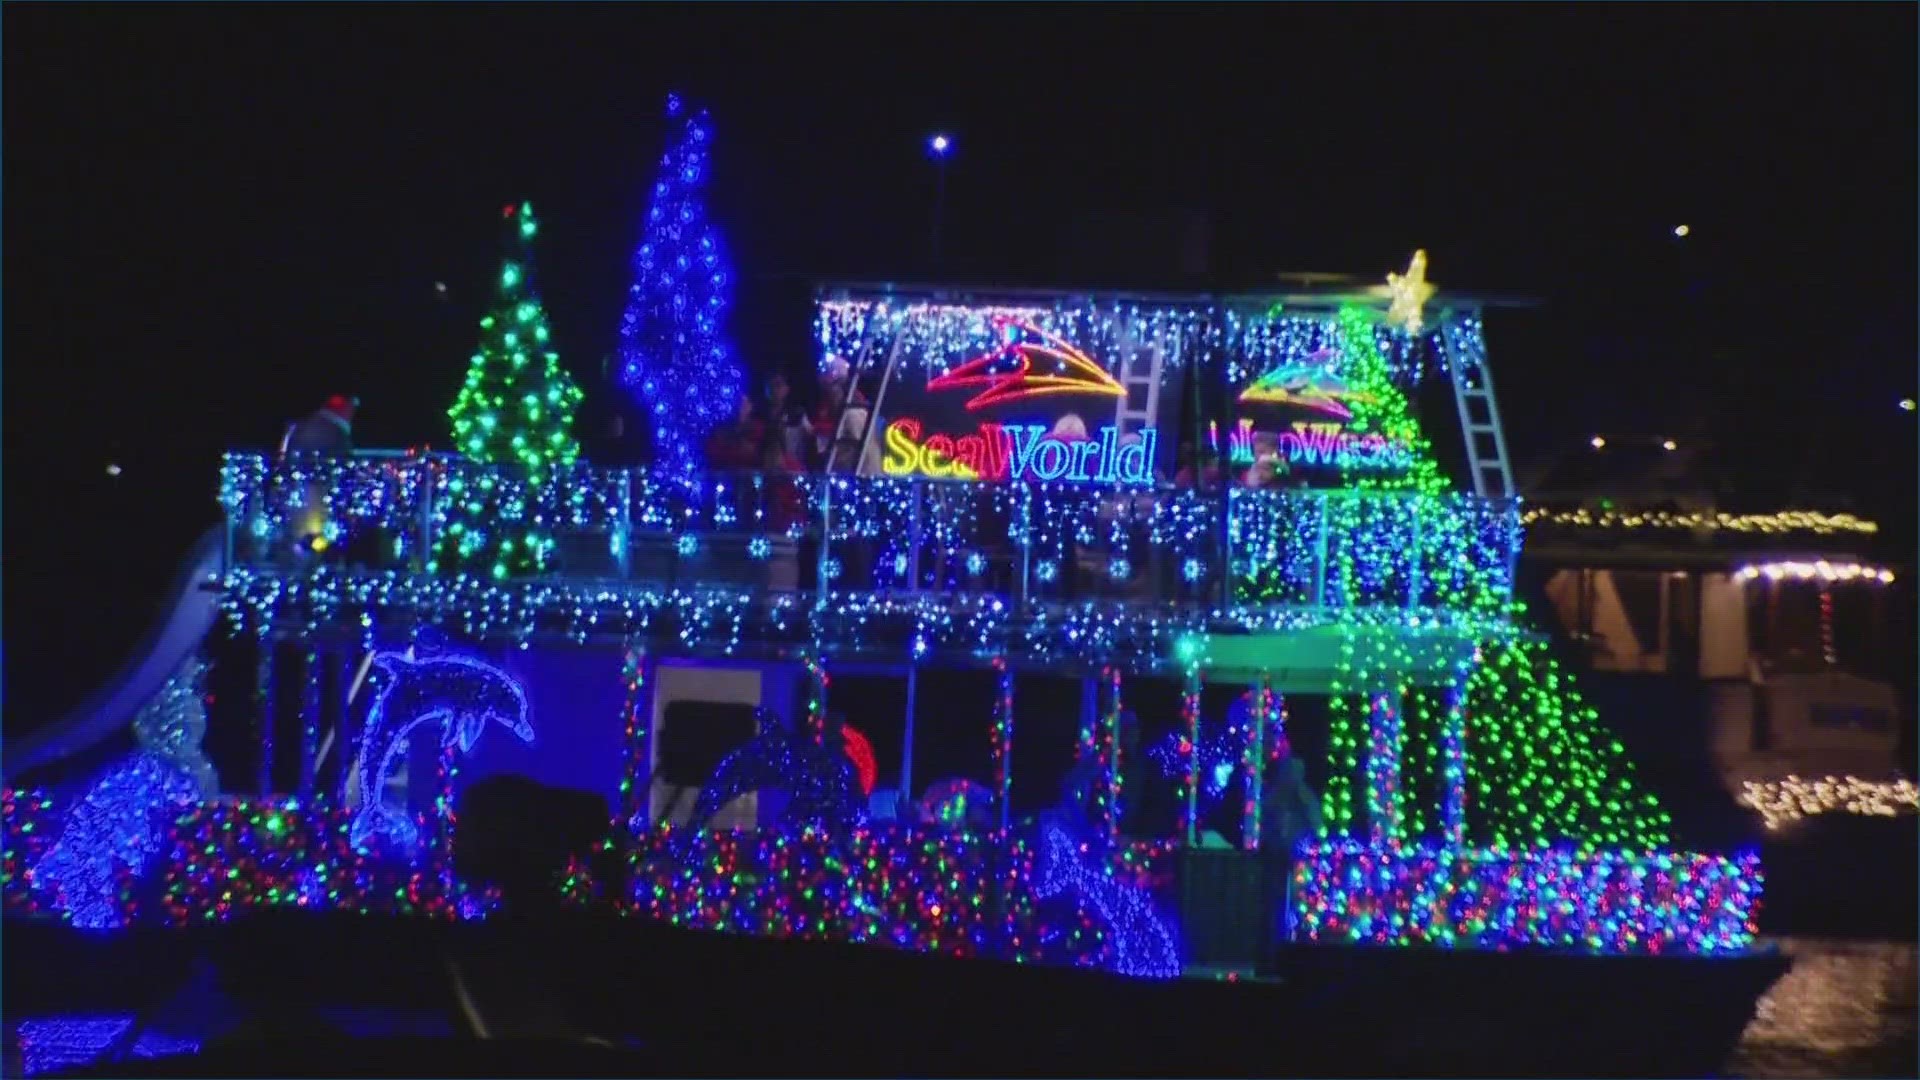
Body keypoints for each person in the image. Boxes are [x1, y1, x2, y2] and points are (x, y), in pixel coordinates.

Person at [1257, 752, 1323, 973]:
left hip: (1299, 866)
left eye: (1297, 773)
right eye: (1288, 773)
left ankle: (1296, 958)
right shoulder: (1271, 797)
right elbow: (1261, 826)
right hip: (1273, 863)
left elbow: (1317, 826)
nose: (1292, 778)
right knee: (1272, 914)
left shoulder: (1306, 798)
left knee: (1296, 913)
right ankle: (1269, 959)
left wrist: (1302, 796)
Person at [279, 395, 357, 558]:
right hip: (314, 496)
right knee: (314, 538)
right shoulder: (330, 430)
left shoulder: (304, 427)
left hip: (302, 496)